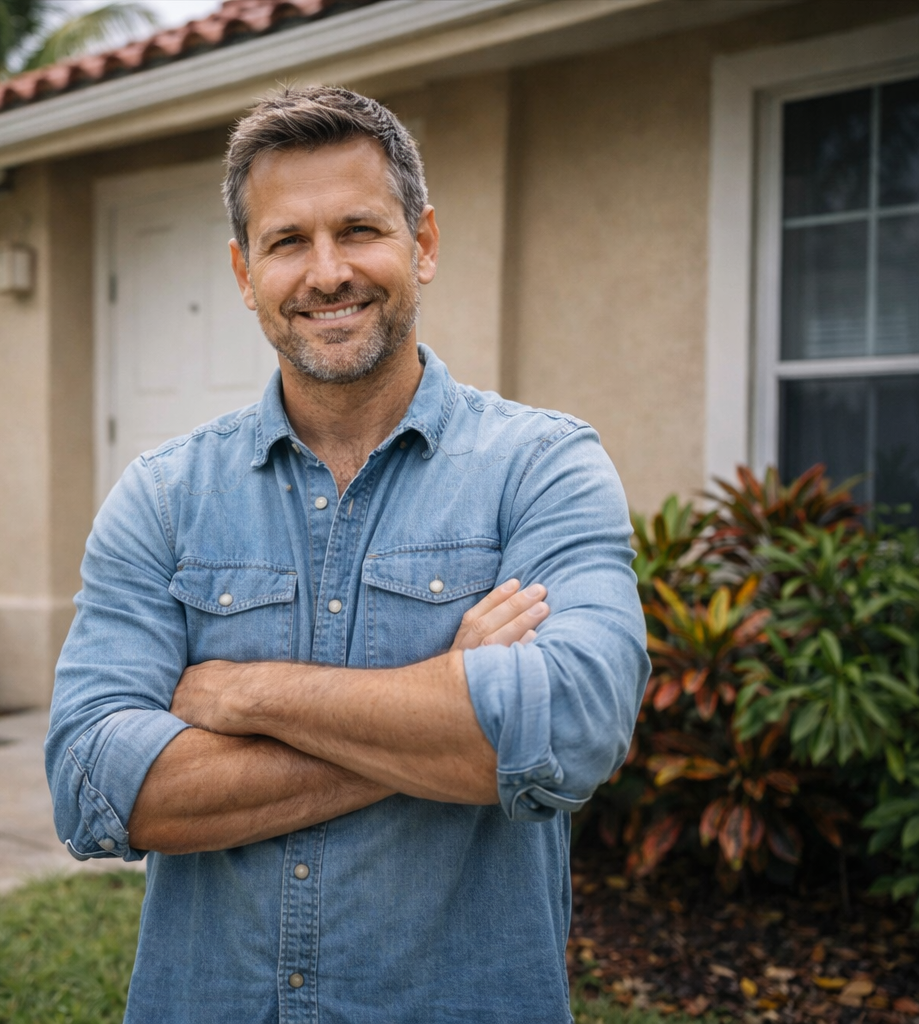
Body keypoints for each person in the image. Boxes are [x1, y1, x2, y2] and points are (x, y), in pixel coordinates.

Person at [45, 85, 648, 1023]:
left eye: (360, 230)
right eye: (289, 241)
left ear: (425, 243)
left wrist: (247, 695)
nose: (327, 273)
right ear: (246, 273)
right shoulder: (163, 497)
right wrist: (448, 700)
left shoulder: (540, 466)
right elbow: (95, 786)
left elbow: (571, 728)